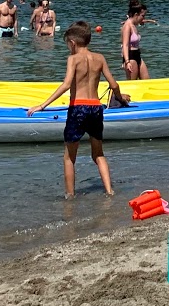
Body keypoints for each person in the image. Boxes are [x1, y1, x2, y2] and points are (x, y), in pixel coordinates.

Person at [27, 21, 123, 197]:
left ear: (72, 43)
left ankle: (70, 197)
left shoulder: (73, 59)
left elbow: (65, 85)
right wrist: (121, 99)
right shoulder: (100, 58)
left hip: (78, 108)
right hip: (95, 108)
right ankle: (109, 191)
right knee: (98, 154)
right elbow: (114, 84)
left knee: (69, 157)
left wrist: (42, 105)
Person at [121, 0, 154, 80]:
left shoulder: (134, 25)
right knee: (133, 84)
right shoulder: (127, 26)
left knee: (147, 81)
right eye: (142, 16)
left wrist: (149, 21)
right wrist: (127, 61)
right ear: (136, 14)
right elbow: (124, 45)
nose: (143, 18)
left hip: (137, 55)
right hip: (130, 56)